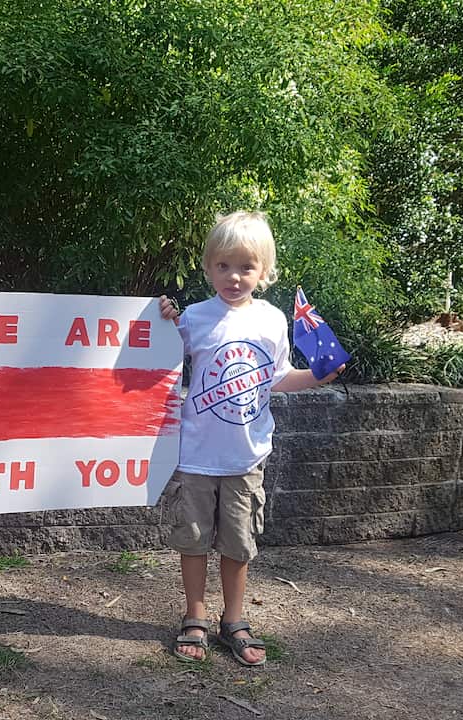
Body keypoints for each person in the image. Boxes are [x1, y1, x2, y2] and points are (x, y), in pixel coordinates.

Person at [158, 211, 342, 667]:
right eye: (223, 266)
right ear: (208, 267)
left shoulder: (272, 319)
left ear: (264, 271)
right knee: (193, 541)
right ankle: (195, 616)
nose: (234, 276)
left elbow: (278, 377)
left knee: (238, 545)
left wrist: (316, 377)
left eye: (245, 267)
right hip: (196, 454)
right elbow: (155, 357)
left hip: (246, 457)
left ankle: (234, 619)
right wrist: (160, 319)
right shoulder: (195, 318)